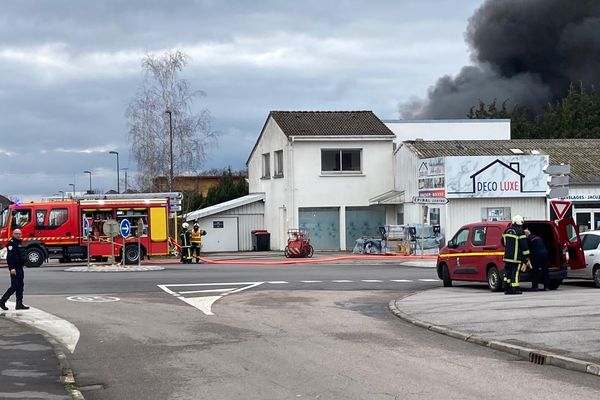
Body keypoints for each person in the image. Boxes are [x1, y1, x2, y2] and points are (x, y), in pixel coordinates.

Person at [0, 229, 30, 310]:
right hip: (15, 268)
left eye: (19, 234)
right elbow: (10, 257)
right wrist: (12, 268)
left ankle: (19, 304)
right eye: (16, 234)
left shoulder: (19, 243)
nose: (18, 235)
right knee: (15, 286)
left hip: (20, 267)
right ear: (13, 234)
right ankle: (2, 301)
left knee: (20, 286)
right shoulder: (12, 244)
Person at [502, 215, 530, 295]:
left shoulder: (506, 231)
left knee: (507, 273)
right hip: (516, 257)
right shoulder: (520, 232)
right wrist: (527, 256)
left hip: (507, 257)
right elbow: (524, 246)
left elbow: (503, 242)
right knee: (515, 273)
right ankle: (515, 289)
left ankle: (506, 288)